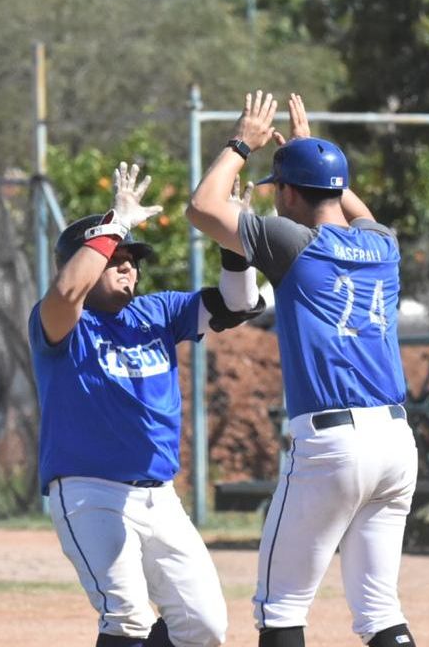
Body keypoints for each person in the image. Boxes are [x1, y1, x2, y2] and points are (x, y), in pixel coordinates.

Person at [185, 92, 418, 647]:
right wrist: (314, 153)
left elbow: (203, 207)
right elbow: (356, 212)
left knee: (281, 607)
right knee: (379, 610)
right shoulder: (382, 245)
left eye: (279, 190)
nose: (275, 201)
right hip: (397, 443)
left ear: (288, 193)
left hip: (334, 447)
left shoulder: (293, 242)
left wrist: (243, 141)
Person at [30, 160, 266, 647]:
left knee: (203, 625)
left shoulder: (156, 313)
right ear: (83, 260)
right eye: (115, 257)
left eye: (131, 259)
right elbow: (68, 290)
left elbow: (238, 303)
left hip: (160, 496)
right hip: (89, 492)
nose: (127, 265)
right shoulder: (59, 324)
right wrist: (114, 224)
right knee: (128, 617)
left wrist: (234, 245)